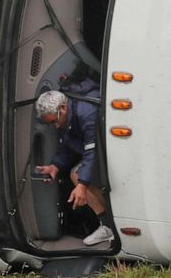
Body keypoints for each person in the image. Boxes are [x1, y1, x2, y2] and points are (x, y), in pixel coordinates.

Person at [34, 78, 115, 246]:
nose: (55, 126)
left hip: (109, 151)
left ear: (63, 109)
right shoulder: (68, 112)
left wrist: (82, 185)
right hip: (98, 151)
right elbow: (70, 144)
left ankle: (112, 224)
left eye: (54, 121)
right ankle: (108, 225)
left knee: (78, 176)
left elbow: (92, 151)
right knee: (76, 175)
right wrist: (56, 165)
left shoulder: (87, 113)